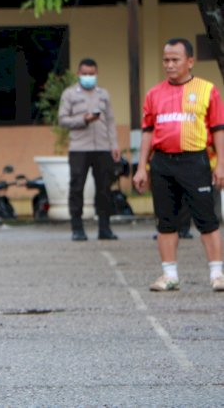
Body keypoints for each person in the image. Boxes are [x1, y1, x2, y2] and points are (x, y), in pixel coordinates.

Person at [133, 38, 224, 292]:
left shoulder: (208, 90)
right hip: (162, 162)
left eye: (175, 60)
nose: (170, 65)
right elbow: (147, 133)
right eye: (166, 60)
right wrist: (142, 167)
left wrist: (221, 165)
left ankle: (217, 274)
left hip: (194, 160)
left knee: (207, 219)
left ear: (190, 61)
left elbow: (218, 130)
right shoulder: (154, 94)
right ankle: (169, 275)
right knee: (166, 221)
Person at [58, 58, 121, 241]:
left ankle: (104, 228)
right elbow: (63, 120)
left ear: (96, 74)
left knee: (104, 188)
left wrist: (114, 145)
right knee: (77, 188)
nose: (88, 77)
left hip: (102, 148)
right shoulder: (69, 94)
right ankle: (77, 229)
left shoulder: (103, 94)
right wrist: (83, 119)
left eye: (91, 74)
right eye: (84, 74)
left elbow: (110, 121)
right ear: (78, 74)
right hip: (79, 148)